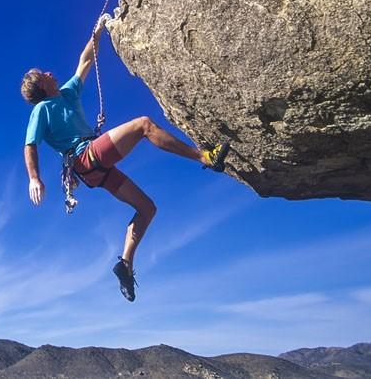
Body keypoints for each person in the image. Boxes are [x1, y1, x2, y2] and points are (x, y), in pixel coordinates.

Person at [21, 15, 229, 302]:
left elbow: (85, 61)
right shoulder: (42, 110)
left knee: (147, 208)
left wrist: (98, 31)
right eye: (43, 74)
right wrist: (34, 177)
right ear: (41, 86)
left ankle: (126, 265)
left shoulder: (67, 93)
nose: (49, 72)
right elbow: (30, 145)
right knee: (143, 125)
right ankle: (205, 157)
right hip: (85, 158)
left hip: (93, 170)